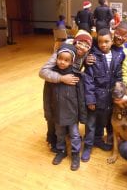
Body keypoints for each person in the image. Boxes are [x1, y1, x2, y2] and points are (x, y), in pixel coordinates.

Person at [39, 30, 93, 153]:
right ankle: (52, 140)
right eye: (80, 43)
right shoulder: (62, 52)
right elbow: (42, 72)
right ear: (75, 41)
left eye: (87, 46)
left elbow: (77, 68)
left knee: (65, 112)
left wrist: (86, 61)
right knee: (53, 114)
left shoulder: (84, 53)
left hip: (67, 87)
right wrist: (61, 78)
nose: (82, 47)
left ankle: (65, 135)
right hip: (54, 84)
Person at [81, 28, 122, 162]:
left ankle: (98, 140)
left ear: (112, 41)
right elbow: (88, 80)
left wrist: (118, 95)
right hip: (95, 99)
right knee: (91, 123)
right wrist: (90, 100)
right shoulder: (92, 57)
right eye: (100, 42)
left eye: (106, 41)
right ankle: (88, 146)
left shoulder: (117, 55)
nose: (103, 44)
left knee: (102, 122)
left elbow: (118, 76)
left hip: (108, 99)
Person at [50, 44, 85, 171]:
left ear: (72, 61)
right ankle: (61, 150)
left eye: (66, 60)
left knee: (74, 134)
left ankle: (75, 154)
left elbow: (81, 97)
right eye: (60, 58)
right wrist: (49, 111)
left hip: (72, 112)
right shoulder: (52, 76)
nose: (62, 62)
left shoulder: (76, 76)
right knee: (59, 133)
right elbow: (47, 96)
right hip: (58, 112)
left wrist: (82, 115)